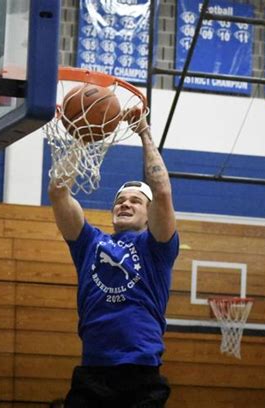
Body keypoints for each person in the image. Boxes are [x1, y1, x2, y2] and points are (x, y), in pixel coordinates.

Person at [48, 108, 179, 408]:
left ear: (149, 215)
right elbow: (58, 191)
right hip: (93, 371)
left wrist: (144, 133)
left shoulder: (156, 247)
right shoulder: (90, 243)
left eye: (135, 201)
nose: (125, 204)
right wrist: (81, 140)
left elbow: (161, 191)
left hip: (141, 374)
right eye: (120, 200)